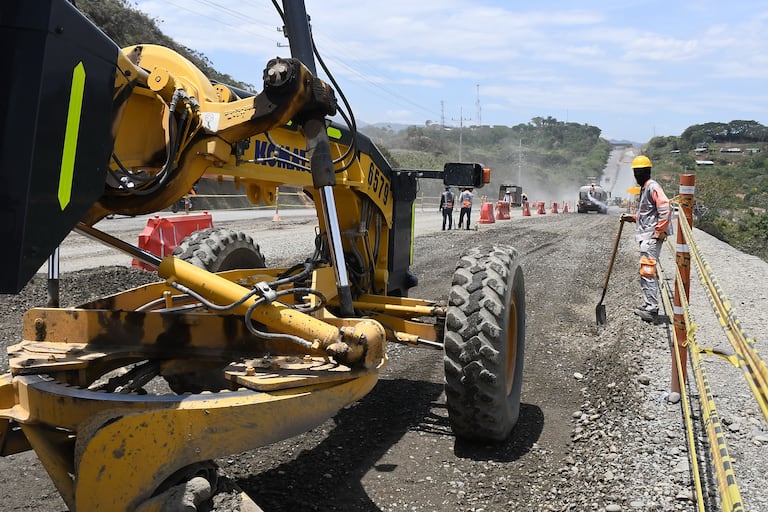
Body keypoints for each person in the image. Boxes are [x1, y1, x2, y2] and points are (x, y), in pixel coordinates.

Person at [621, 155, 671, 324]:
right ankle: (649, 304)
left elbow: (665, 209)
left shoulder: (652, 187)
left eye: (639, 172)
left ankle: (652, 309)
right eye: (637, 172)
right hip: (647, 236)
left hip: (651, 238)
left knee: (647, 271)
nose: (638, 175)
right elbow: (648, 214)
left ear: (645, 172)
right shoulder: (645, 188)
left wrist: (658, 232)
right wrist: (632, 217)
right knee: (645, 271)